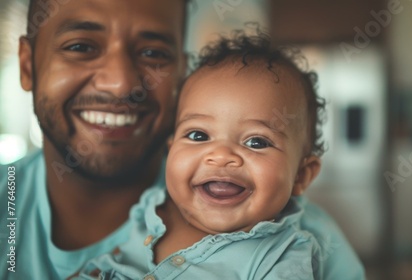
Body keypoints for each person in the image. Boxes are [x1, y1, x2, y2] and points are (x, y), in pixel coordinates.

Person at [0, 0, 364, 279]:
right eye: (81, 46)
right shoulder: (150, 215)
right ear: (28, 65)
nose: (121, 83)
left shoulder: (308, 244)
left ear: (180, 75)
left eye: (153, 53)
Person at [74, 30, 339, 279]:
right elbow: (110, 262)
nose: (221, 155)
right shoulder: (152, 207)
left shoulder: (282, 257)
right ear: (171, 149)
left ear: (301, 175)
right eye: (198, 135)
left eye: (257, 142)